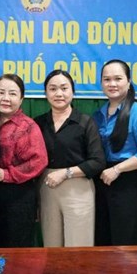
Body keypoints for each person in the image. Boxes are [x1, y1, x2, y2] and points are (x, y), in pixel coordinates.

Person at [92, 60, 137, 246]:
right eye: (107, 79)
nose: (112, 84)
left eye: (118, 79)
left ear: (128, 81)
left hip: (128, 186)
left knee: (127, 248)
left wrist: (118, 169)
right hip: (102, 184)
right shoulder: (98, 115)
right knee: (102, 244)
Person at [35, 70, 105, 247]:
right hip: (46, 188)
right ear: (45, 93)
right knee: (51, 246)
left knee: (78, 246)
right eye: (53, 89)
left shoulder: (85, 122)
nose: (59, 93)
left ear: (72, 92)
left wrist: (65, 173)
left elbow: (97, 161)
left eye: (64, 88)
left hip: (78, 188)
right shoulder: (38, 123)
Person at [0, 74, 48, 247]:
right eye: (1, 93)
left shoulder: (28, 126)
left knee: (16, 247)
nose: (6, 98)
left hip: (19, 196)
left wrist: (8, 174)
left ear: (21, 98)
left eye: (12, 94)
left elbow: (39, 160)